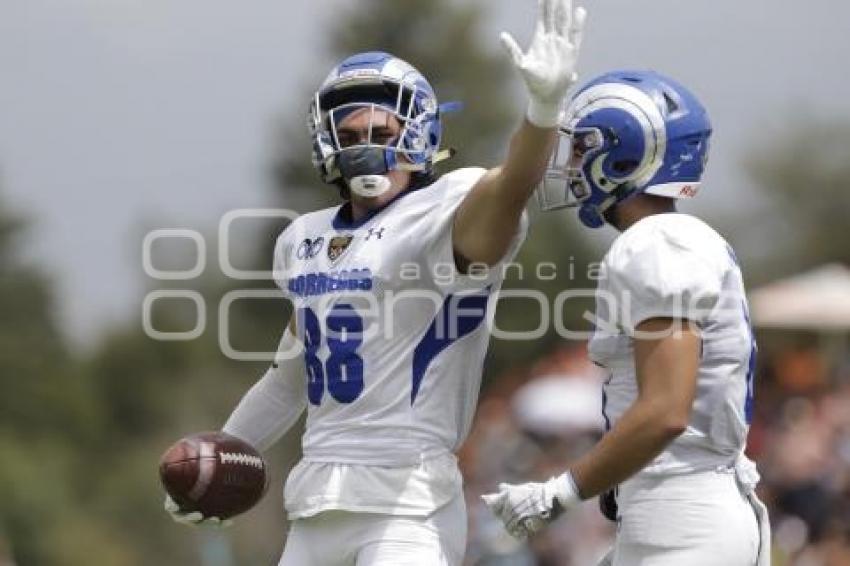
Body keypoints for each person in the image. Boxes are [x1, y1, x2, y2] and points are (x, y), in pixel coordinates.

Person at [165, 1, 588, 564]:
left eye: (380, 129)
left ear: (418, 133)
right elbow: (287, 380)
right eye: (351, 131)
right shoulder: (303, 238)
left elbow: (511, 186)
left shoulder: (445, 210)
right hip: (316, 502)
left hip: (407, 503)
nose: (365, 143)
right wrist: (217, 458)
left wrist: (542, 109)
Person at [482, 70, 772, 565]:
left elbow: (665, 411)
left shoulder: (656, 243)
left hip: (684, 519)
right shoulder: (672, 240)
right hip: (678, 511)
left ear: (622, 154)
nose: (570, 165)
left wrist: (559, 493)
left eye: (581, 149)